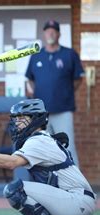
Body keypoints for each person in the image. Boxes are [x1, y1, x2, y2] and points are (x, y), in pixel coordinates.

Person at [25, 20, 84, 166]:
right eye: (47, 30)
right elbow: (30, 79)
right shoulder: (36, 56)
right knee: (44, 149)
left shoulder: (69, 54)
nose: (50, 33)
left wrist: (65, 93)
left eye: (54, 30)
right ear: (44, 34)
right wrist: (33, 93)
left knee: (67, 148)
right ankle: (50, 185)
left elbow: (78, 79)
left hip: (63, 110)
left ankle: (76, 186)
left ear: (59, 34)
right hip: (41, 114)